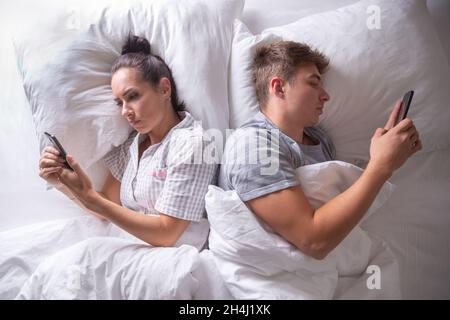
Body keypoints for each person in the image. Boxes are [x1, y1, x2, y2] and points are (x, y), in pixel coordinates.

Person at [219, 40, 422, 260]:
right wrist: (381, 166)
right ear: (279, 88)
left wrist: (386, 152)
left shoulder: (320, 141)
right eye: (313, 83)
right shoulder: (252, 146)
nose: (326, 95)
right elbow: (313, 240)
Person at [39, 34, 216, 250]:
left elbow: (167, 232)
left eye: (132, 96)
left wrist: (91, 196)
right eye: (119, 102)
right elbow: (106, 205)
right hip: (132, 249)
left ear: (164, 89)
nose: (125, 112)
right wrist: (63, 184)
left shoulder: (194, 143)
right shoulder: (131, 146)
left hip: (175, 257)